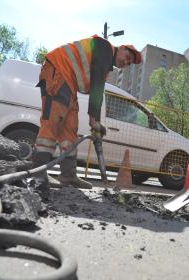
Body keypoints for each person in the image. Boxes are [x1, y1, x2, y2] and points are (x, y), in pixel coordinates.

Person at [33, 35, 142, 190]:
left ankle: (68, 175)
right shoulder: (104, 47)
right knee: (52, 122)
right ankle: (38, 173)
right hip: (58, 71)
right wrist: (93, 119)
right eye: (127, 57)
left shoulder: (105, 62)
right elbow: (97, 85)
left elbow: (97, 86)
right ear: (122, 48)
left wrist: (95, 119)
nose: (126, 62)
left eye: (129, 63)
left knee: (70, 130)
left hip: (69, 84)